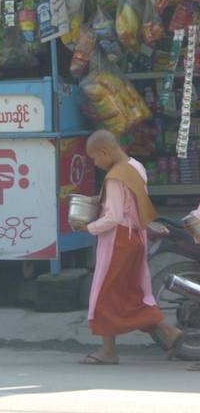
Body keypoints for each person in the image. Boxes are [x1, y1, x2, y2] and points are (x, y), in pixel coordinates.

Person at [72, 130, 183, 365]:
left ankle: (108, 352)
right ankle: (169, 332)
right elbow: (128, 202)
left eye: (95, 158)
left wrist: (87, 228)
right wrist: (98, 200)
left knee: (103, 294)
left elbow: (112, 218)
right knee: (131, 293)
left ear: (105, 151)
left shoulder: (114, 177)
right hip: (137, 238)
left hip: (118, 240)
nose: (96, 163)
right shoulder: (135, 166)